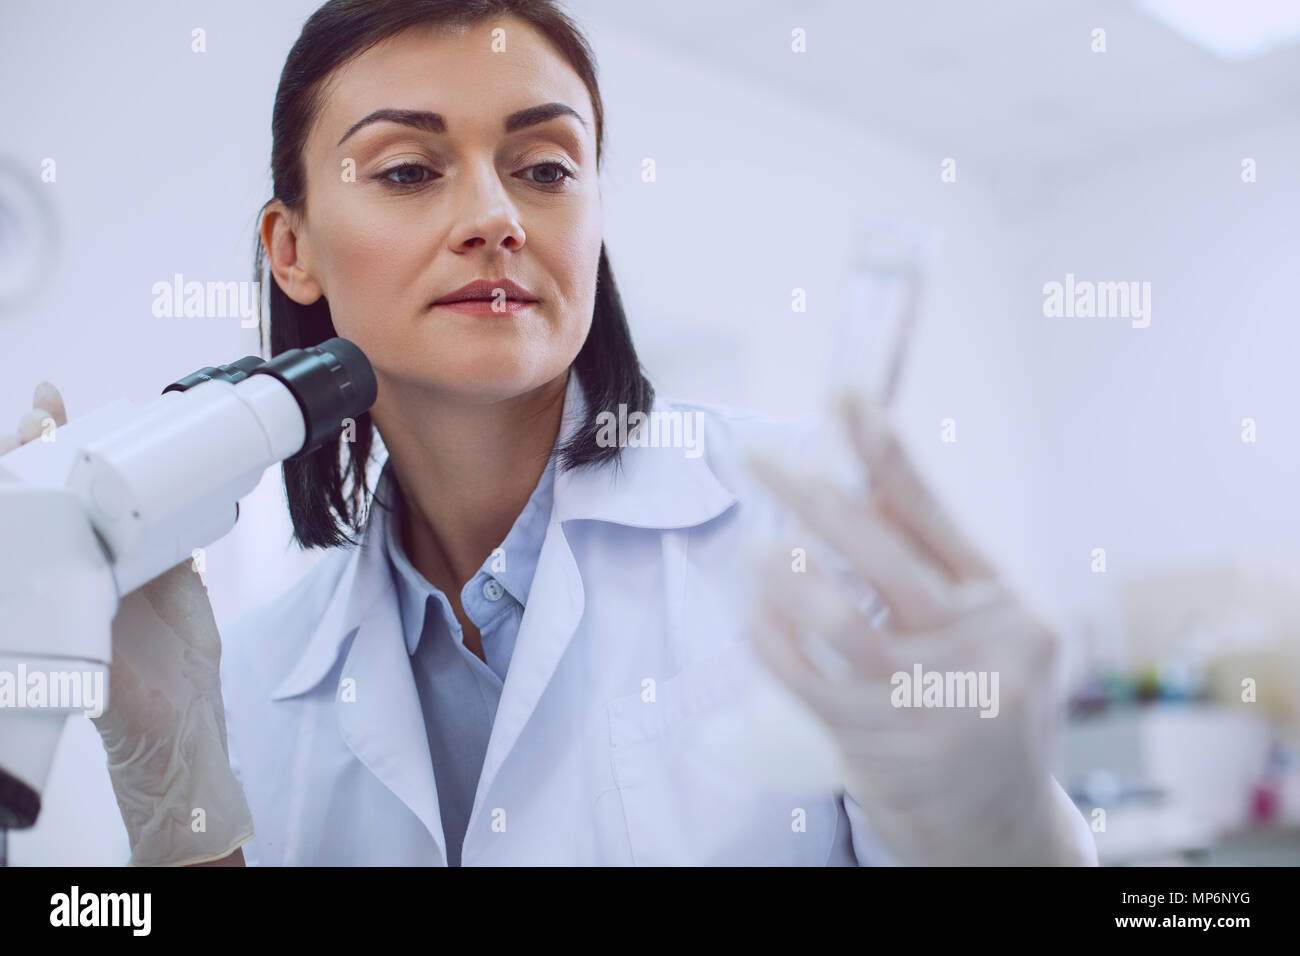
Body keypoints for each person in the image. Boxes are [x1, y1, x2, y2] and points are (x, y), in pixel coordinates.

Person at [2, 0, 1097, 866]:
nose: (496, 216)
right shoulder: (249, 673)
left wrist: (1004, 839)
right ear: (292, 250)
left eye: (545, 168)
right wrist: (177, 793)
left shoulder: (804, 542)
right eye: (408, 170)